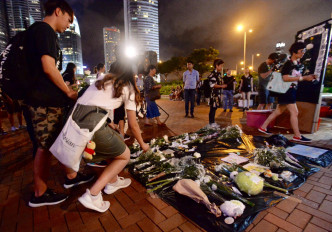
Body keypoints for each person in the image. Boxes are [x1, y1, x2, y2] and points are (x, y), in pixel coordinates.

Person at [25, 0, 92, 208]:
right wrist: (68, 91)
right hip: (42, 102)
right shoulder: (45, 31)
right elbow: (48, 67)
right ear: (58, 11)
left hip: (40, 101)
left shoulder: (36, 31)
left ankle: (71, 176)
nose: (68, 26)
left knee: (52, 142)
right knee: (44, 147)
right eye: (68, 20)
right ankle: (40, 193)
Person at [75, 62, 149, 212]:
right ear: (130, 74)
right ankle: (93, 195)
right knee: (124, 155)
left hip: (75, 124)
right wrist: (143, 144)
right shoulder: (128, 88)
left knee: (115, 142)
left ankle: (113, 181)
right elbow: (133, 125)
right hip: (92, 127)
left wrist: (110, 124)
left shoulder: (101, 79)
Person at [258, 42, 315, 142]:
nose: (303, 53)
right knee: (294, 112)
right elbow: (285, 78)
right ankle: (297, 135)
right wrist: (303, 78)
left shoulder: (298, 64)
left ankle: (263, 127)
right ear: (294, 52)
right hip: (287, 90)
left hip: (290, 90)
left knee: (278, 111)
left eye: (304, 51)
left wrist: (308, 77)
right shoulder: (288, 64)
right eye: (301, 51)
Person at [208, 59, 227, 126]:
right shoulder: (213, 74)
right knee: (213, 108)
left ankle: (212, 122)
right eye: (221, 65)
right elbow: (212, 85)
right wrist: (221, 86)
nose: (222, 67)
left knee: (214, 108)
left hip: (217, 94)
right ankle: (211, 122)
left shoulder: (218, 74)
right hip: (214, 94)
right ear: (217, 65)